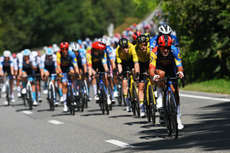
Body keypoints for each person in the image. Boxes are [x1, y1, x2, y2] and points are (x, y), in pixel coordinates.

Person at [149, 35, 184, 130]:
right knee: (161, 74)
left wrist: (180, 72)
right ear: (159, 47)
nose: (166, 50)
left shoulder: (174, 50)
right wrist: (154, 76)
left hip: (171, 68)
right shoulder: (154, 51)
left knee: (175, 90)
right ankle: (159, 97)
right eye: (163, 48)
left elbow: (179, 65)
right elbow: (151, 69)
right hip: (159, 68)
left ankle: (177, 117)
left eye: (167, 48)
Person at [115, 38, 139, 112]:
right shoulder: (118, 50)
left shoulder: (132, 47)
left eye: (126, 47)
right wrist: (120, 74)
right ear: (120, 47)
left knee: (134, 73)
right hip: (123, 63)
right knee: (124, 82)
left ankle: (136, 90)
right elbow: (119, 64)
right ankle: (127, 103)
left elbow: (136, 62)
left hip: (131, 61)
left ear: (128, 46)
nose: (125, 49)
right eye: (123, 48)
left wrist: (137, 73)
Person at [56, 42, 80, 112]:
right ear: (61, 49)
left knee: (73, 73)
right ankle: (65, 104)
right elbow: (58, 65)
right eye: (63, 49)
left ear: (68, 48)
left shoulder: (72, 54)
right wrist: (60, 73)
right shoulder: (58, 54)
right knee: (64, 84)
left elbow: (75, 65)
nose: (64, 50)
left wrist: (77, 73)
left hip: (69, 67)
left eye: (66, 49)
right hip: (62, 68)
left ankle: (75, 90)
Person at [135, 34, 151, 117]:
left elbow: (154, 61)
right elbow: (136, 63)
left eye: (145, 44)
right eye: (141, 45)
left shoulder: (150, 48)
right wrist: (137, 73)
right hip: (140, 65)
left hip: (150, 63)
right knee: (140, 86)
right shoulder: (135, 49)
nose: (143, 47)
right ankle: (142, 109)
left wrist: (152, 71)